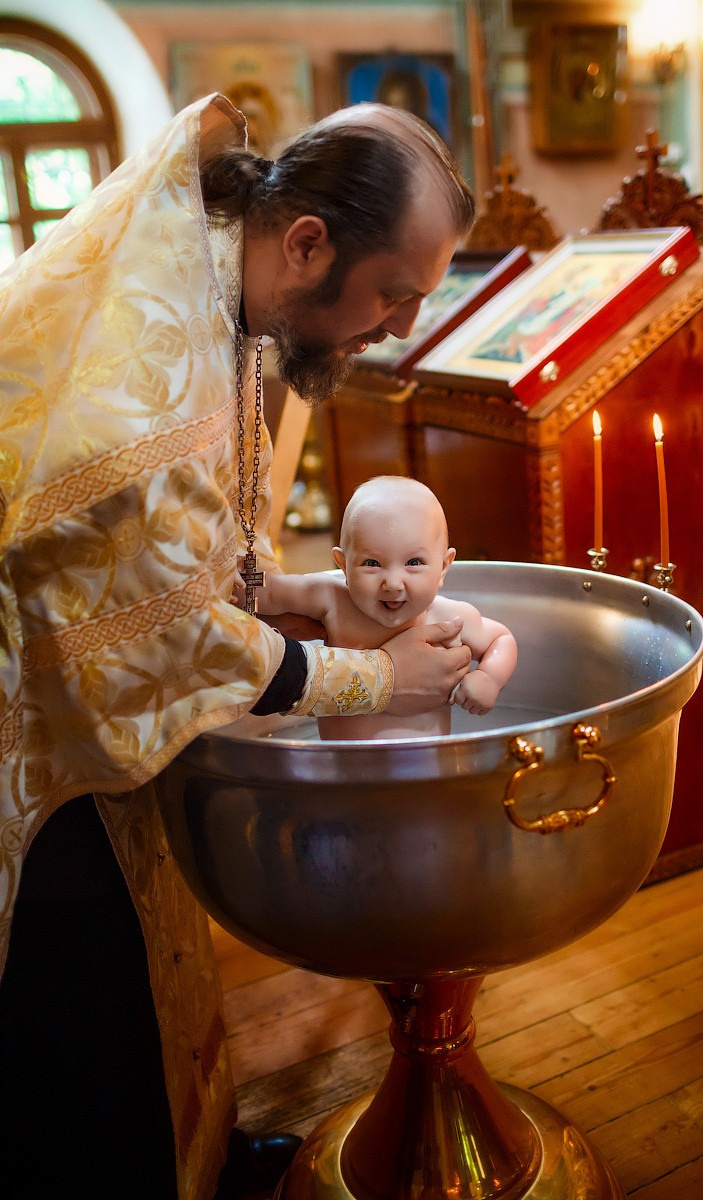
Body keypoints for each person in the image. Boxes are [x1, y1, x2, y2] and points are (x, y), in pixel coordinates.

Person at [0, 93, 475, 1200]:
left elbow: (176, 551)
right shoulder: (140, 394)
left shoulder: (208, 277)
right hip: (36, 746)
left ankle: (192, 1157)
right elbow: (148, 637)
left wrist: (279, 583)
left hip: (75, 703)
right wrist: (373, 676)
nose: (397, 326)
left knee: (139, 974)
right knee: (78, 1002)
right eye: (393, 293)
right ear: (307, 241)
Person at [257, 476, 518, 739]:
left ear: (443, 566)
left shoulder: (449, 619)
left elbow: (501, 638)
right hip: (342, 772)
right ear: (343, 565)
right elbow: (267, 590)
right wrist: (232, 579)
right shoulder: (332, 600)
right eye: (372, 563)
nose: (393, 583)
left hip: (426, 770)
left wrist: (489, 678)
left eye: (414, 562)